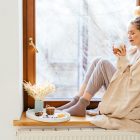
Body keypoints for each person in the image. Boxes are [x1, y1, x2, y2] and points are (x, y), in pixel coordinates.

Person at [57, 17, 140, 120]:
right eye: (128, 33)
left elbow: (132, 86)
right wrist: (120, 57)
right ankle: (77, 100)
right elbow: (123, 72)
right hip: (122, 89)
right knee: (97, 60)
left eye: (132, 33)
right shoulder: (133, 51)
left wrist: (122, 59)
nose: (129, 36)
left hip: (127, 97)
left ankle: (82, 104)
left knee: (103, 63)